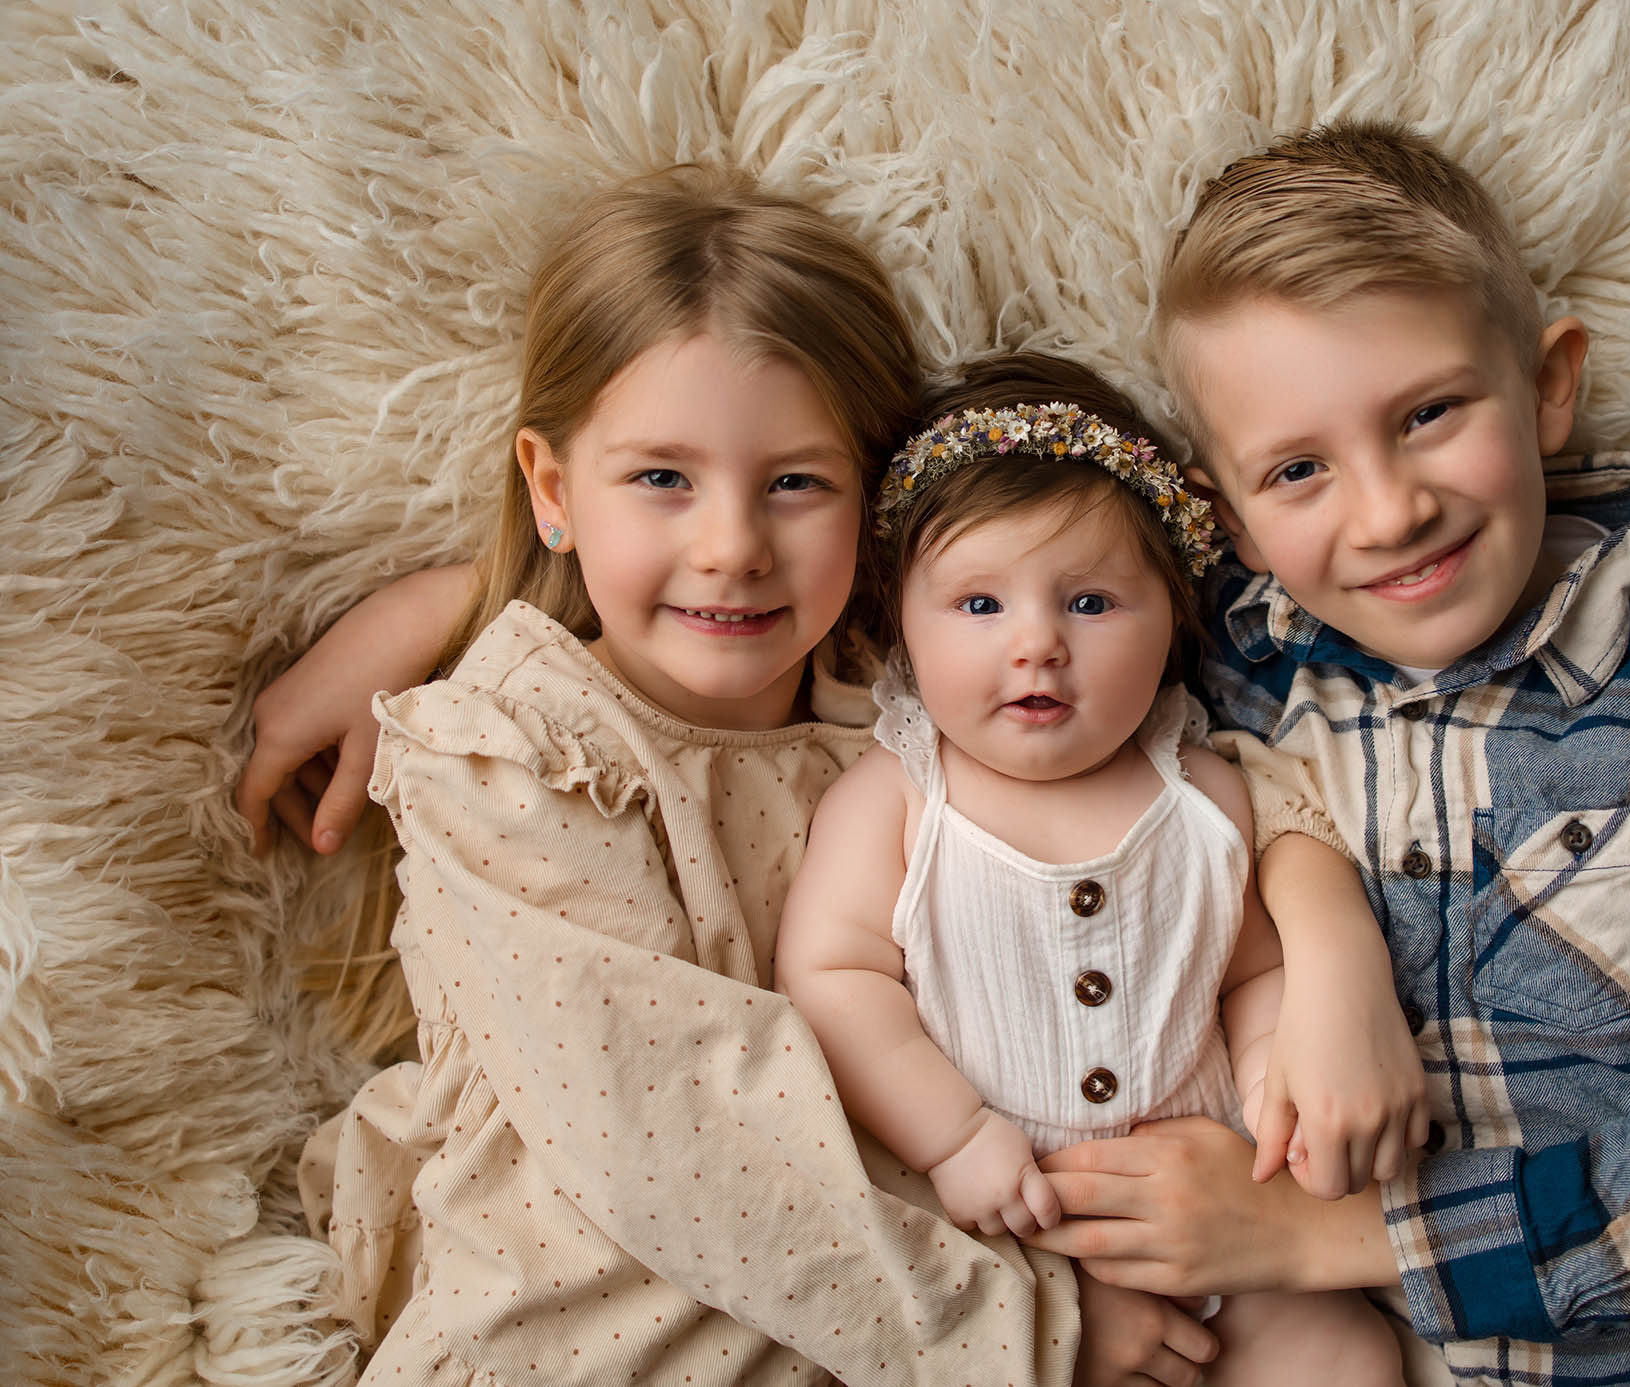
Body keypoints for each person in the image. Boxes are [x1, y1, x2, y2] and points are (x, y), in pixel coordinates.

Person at [1023, 120, 1630, 1385]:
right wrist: (1325, 937)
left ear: (1550, 385)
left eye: (1430, 412)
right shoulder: (1233, 686)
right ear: (1229, 517)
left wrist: (1319, 1233)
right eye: (1297, 469)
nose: (1388, 510)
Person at [279, 164, 1122, 1385]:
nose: (731, 547)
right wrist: (1043, 1336)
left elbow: (1181, 746)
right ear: (555, 492)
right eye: (662, 478)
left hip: (884, 1310)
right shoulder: (513, 755)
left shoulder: (915, 711)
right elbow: (673, 1123)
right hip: (582, 1320)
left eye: (795, 482)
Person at [773, 354, 1414, 1385]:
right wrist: (954, 1139)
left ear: (1171, 617)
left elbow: (1252, 972)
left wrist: (1268, 1083)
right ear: (900, 626)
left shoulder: (1202, 795)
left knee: (1344, 1353)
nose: (1036, 645)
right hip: (1005, 1233)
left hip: (1218, 1221)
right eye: (978, 606)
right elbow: (830, 979)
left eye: (1091, 602)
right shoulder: (899, 797)